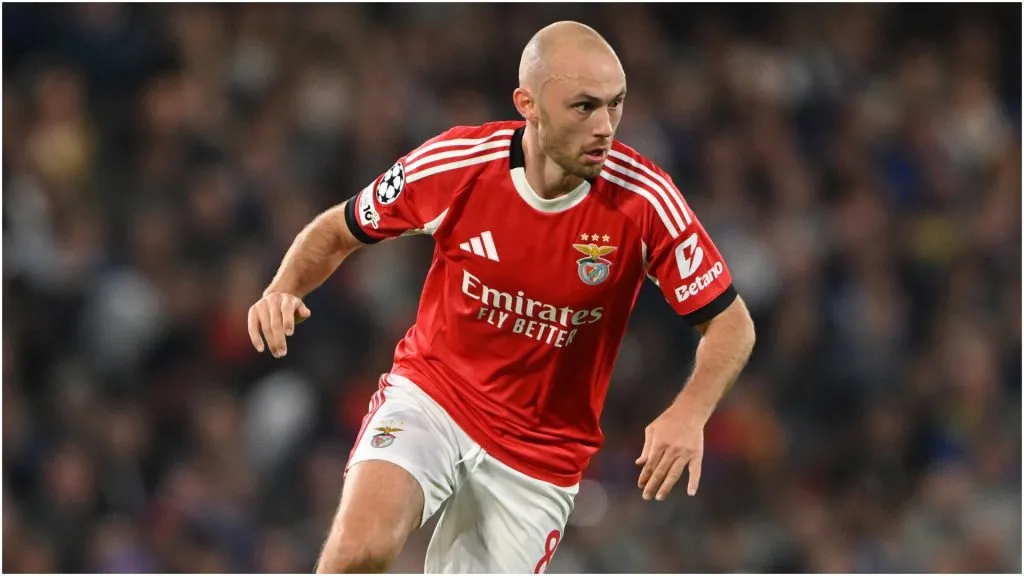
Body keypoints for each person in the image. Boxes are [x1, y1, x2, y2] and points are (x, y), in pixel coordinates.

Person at [247, 20, 756, 574]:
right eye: (583, 107)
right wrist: (282, 288)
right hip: (435, 397)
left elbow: (732, 323)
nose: (605, 127)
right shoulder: (458, 166)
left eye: (616, 105)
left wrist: (690, 411)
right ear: (528, 103)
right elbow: (338, 230)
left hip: (540, 455)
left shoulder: (644, 200)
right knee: (359, 550)